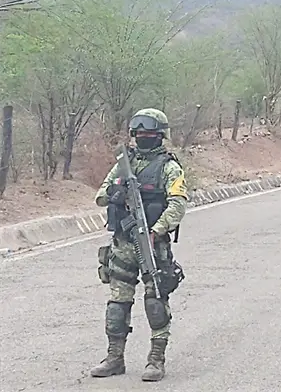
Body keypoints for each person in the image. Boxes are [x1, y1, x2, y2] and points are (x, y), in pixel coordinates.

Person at [90, 108, 188, 382]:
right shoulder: (125, 163)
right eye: (140, 133)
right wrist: (116, 193)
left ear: (160, 135)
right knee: (117, 306)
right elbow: (100, 196)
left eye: (149, 133)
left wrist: (156, 230)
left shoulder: (169, 167)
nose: (144, 137)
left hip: (153, 245)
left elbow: (178, 205)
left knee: (155, 302)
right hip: (122, 246)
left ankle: (156, 361)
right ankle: (114, 358)